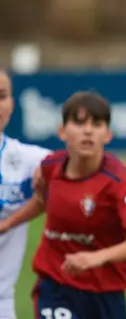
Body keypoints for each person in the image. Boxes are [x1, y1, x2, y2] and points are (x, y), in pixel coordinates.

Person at [0, 91, 126, 319]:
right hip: (56, 286)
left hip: (105, 293)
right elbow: (43, 200)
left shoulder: (119, 181)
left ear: (108, 135)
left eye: (97, 124)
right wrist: (9, 223)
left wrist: (97, 257)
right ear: (62, 131)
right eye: (79, 122)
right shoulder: (50, 166)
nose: (88, 130)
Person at [0, 70, 51, 319]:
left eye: (1, 96)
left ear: (12, 104)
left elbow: (86, 170)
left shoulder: (31, 160)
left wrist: (54, 173)